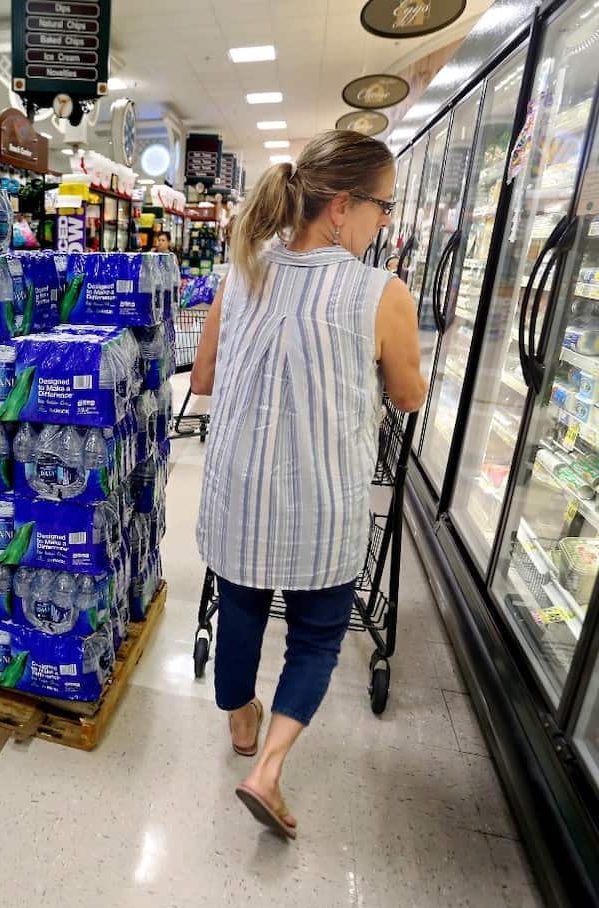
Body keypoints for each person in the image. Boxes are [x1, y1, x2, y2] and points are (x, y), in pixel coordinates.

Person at [189, 130, 427, 840]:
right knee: (317, 638)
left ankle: (240, 721)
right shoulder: (382, 292)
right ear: (341, 207)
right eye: (383, 208)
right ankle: (268, 770)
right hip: (324, 502)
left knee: (239, 610)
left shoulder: (243, 270)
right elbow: (408, 398)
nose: (385, 222)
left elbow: (200, 379)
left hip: (239, 491)